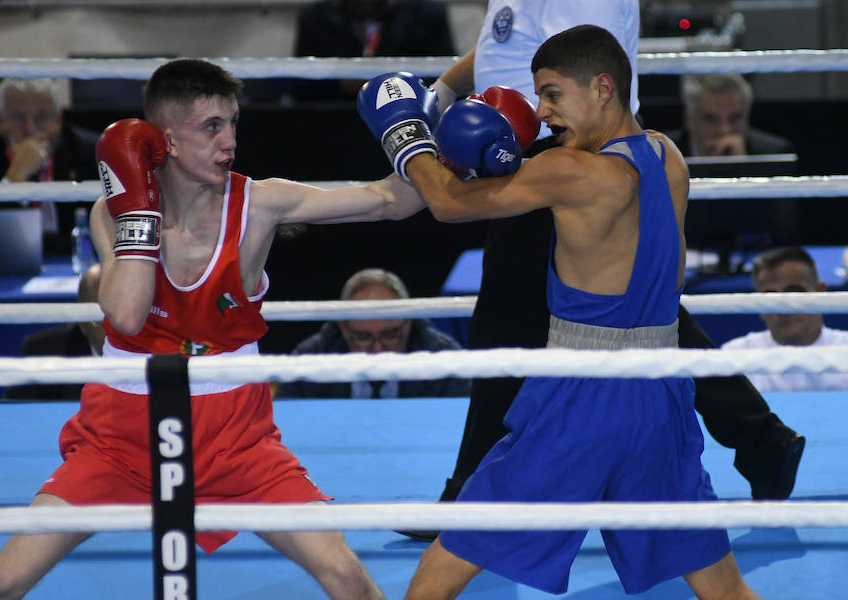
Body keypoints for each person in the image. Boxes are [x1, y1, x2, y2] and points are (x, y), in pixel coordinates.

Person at [0, 58, 425, 600]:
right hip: (120, 436)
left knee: (348, 577)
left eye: (233, 124)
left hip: (237, 438)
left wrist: (421, 139)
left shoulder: (258, 204)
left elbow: (392, 201)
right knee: (2, 580)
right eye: (211, 126)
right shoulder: (111, 212)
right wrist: (139, 209)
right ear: (164, 140)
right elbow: (127, 315)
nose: (229, 140)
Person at [358, 25, 760, 598]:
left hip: (582, 397)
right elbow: (667, 281)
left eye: (551, 94)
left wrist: (406, 135)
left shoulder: (570, 172)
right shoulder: (669, 157)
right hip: (661, 397)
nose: (542, 113)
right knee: (722, 586)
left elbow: (446, 203)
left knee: (449, 559)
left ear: (602, 88)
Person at [419, 1, 803, 538]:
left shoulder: (575, 114)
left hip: (561, 150)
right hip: (540, 144)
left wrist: (407, 136)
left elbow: (580, 69)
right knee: (636, 305)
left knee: (516, 318)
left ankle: (472, 494)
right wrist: (443, 89)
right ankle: (761, 439)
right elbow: (505, 47)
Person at [0, 77, 100, 255]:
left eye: (42, 118)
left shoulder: (94, 156)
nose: (31, 129)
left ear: (59, 120)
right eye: (18, 118)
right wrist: (15, 177)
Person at [276, 267, 471, 399]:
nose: (378, 350)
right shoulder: (308, 361)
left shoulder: (443, 359)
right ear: (343, 328)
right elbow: (287, 427)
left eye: (390, 335)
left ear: (408, 323)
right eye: (363, 337)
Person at [722, 246, 848, 391]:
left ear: (821, 293)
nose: (784, 307)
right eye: (771, 296)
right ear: (757, 303)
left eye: (794, 292)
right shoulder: (736, 356)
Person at [287, 0, 454, 102]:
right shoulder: (316, 18)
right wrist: (339, 83)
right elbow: (299, 85)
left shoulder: (428, 17)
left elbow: (446, 79)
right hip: (334, 126)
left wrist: (394, 81)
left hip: (408, 119)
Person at [3, 263, 105, 401]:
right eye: (102, 319)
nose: (116, 327)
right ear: (82, 323)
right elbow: (20, 414)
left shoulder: (143, 349)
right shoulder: (43, 354)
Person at [667, 72, 795, 157]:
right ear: (690, 120)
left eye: (735, 118)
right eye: (711, 119)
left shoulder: (774, 155)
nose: (725, 130)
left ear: (747, 116)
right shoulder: (660, 155)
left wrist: (742, 169)